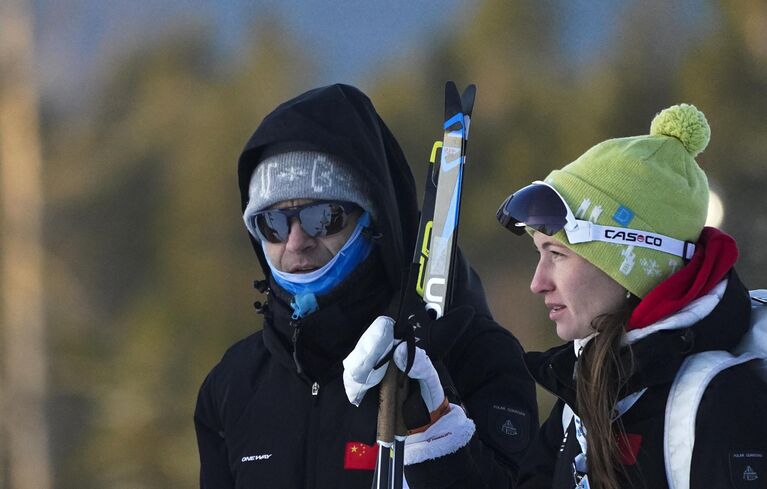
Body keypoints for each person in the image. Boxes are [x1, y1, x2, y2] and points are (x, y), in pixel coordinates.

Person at [194, 83, 538, 488]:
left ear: (373, 220)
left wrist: (440, 432)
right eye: (272, 223)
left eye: (324, 217)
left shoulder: (473, 355)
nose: (296, 240)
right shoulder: (235, 383)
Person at [496, 103, 767, 488]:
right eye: (540, 253)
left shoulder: (719, 406)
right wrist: (434, 436)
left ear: (630, 262)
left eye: (557, 255)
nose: (538, 282)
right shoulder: (581, 399)